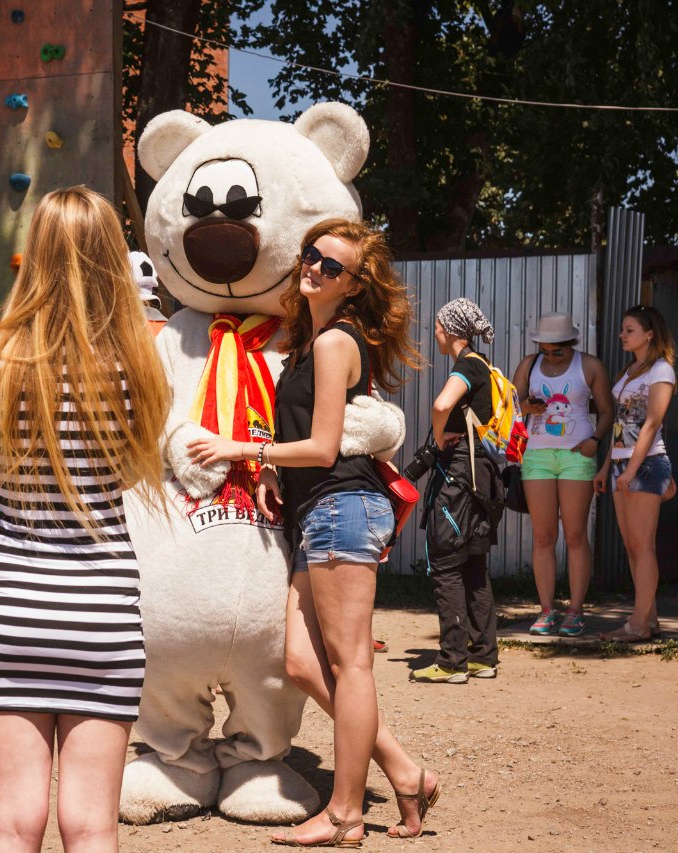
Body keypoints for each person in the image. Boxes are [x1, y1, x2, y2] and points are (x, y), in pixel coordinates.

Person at [187, 219, 435, 843]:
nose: (315, 268)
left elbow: (324, 447)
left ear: (353, 287)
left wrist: (242, 449)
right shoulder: (311, 341)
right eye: (311, 255)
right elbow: (313, 441)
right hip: (317, 511)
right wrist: (275, 474)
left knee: (351, 665)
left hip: (342, 506)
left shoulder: (334, 343)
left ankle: (346, 813)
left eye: (332, 266)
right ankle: (405, 770)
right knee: (302, 662)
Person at [0, 186, 168, 853]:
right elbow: (132, 472)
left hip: (12, 607)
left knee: (11, 821)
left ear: (35, 256)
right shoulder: (134, 365)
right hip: (102, 610)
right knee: (92, 823)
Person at [412, 298, 504, 684]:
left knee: (448, 564)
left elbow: (441, 403)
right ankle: (483, 656)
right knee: (473, 565)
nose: (434, 332)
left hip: (458, 480)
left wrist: (437, 434)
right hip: (481, 478)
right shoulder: (484, 366)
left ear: (447, 330)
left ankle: (452, 662)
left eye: (436, 326)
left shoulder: (466, 365)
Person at [513, 314, 614, 637]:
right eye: (546, 350)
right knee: (543, 536)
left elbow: (608, 410)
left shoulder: (590, 366)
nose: (552, 356)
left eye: (559, 351)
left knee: (574, 535)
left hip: (576, 454)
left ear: (572, 344)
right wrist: (527, 408)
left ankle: (575, 610)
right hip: (537, 454)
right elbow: (510, 406)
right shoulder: (529, 364)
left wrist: (595, 440)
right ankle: (546, 610)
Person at [594, 305, 677, 642]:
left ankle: (638, 624)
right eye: (622, 329)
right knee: (632, 546)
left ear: (649, 333)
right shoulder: (629, 371)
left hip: (645, 464)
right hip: (621, 465)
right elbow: (620, 426)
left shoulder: (661, 370)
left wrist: (629, 469)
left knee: (643, 546)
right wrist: (606, 466)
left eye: (629, 330)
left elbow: (653, 422)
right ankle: (649, 618)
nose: (622, 335)